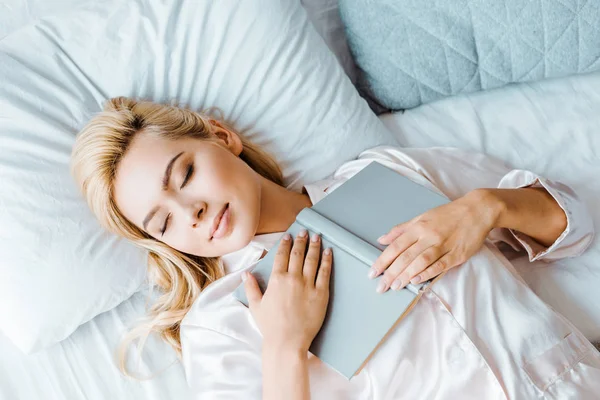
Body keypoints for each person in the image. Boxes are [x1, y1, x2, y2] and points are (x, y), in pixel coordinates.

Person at [71, 97, 600, 399]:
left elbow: (574, 227)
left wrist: (487, 207)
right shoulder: (219, 324)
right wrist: (284, 346)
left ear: (220, 135)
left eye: (184, 174)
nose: (193, 212)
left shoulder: (387, 172)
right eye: (163, 221)